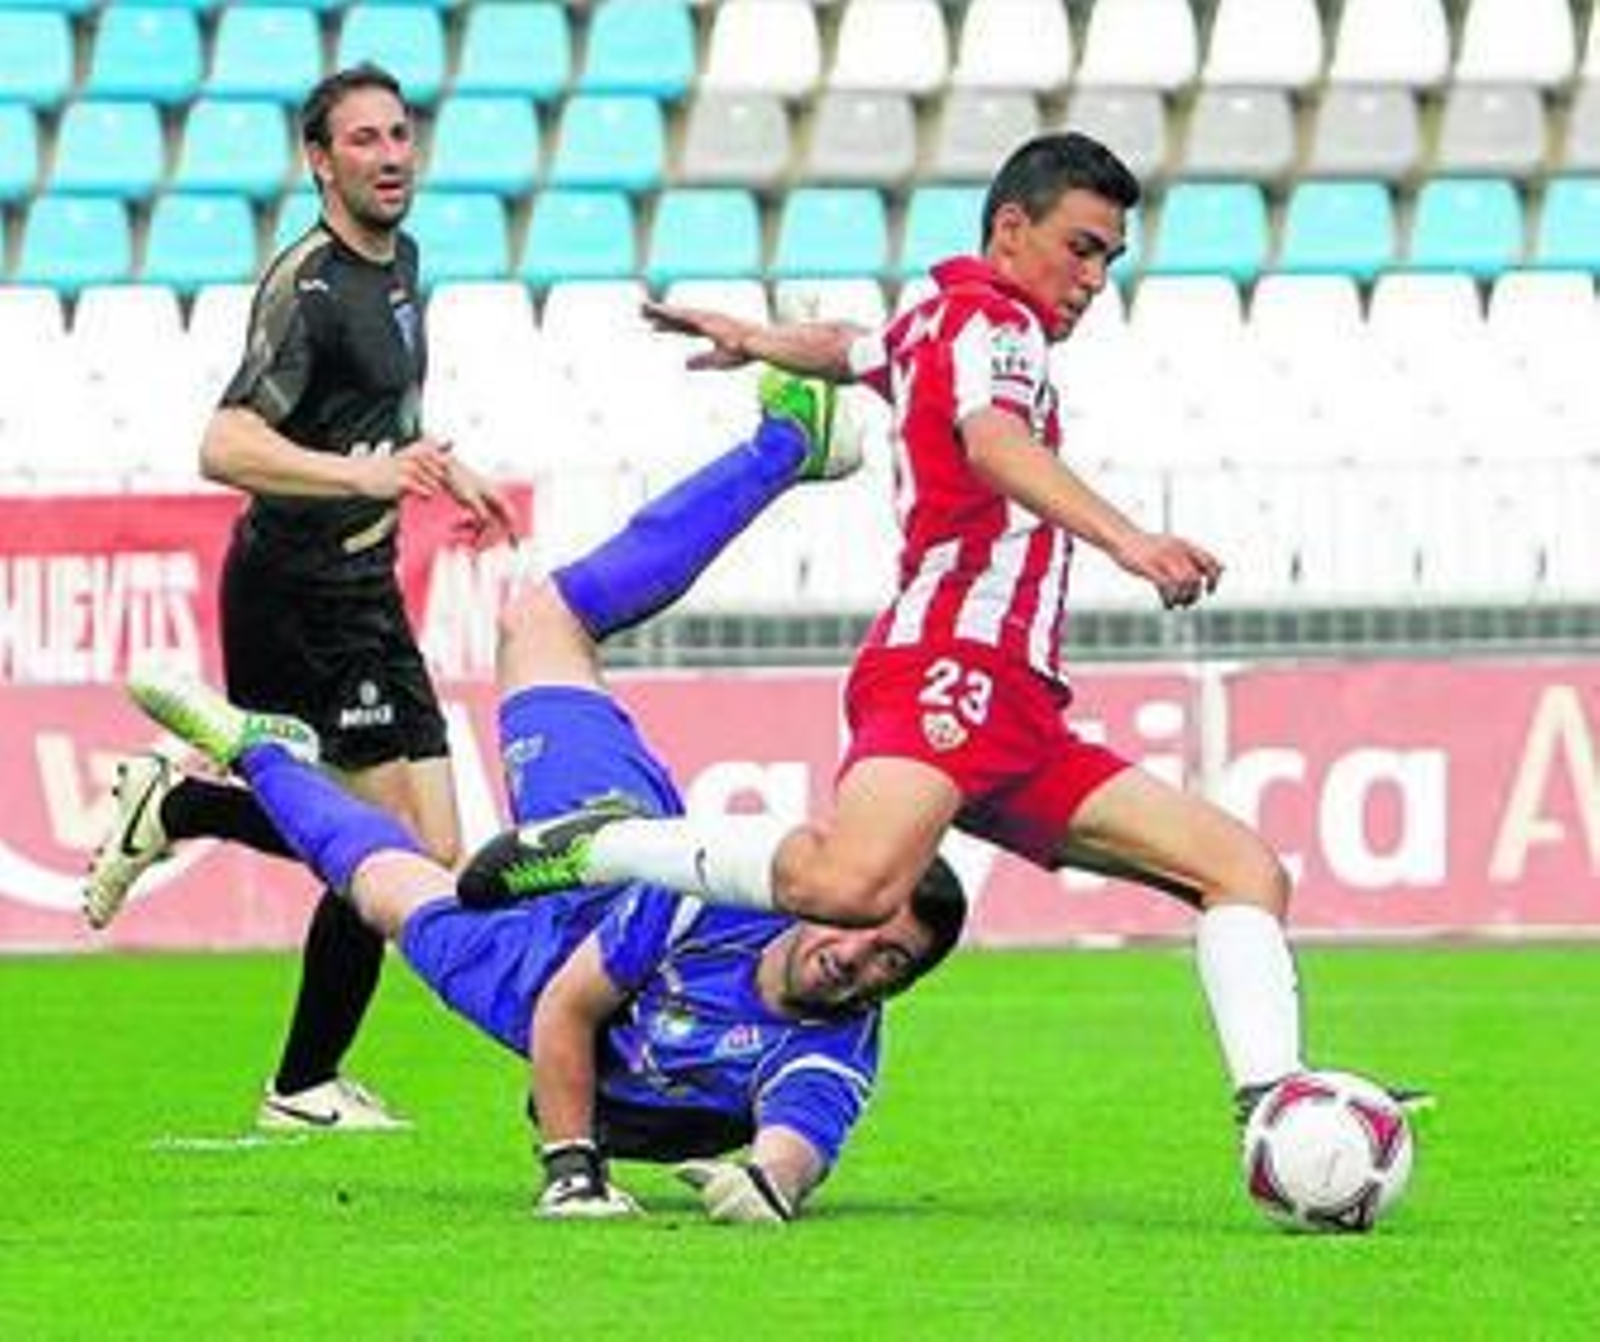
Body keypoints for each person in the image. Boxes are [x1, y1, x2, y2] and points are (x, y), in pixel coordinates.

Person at [469, 132, 1424, 1121]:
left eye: (1109, 259)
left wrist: (757, 338)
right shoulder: (998, 326)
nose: (1094, 280)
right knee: (847, 887)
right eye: (1081, 248)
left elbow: (853, 350)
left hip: (1021, 712)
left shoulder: (941, 318)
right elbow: (993, 440)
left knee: (1241, 870)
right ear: (1010, 229)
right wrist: (1129, 540)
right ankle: (607, 844)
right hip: (949, 668)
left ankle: (1275, 1098)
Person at [121, 382, 966, 1221]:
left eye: (891, 963)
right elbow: (580, 1002)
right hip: (615, 864)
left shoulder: (833, 1049)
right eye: (863, 927)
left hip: (526, 982)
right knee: (541, 621)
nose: (856, 957)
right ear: (828, 900)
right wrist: (572, 1171)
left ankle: (257, 750)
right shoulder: (721, 899)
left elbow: (793, 1139)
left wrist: (770, 1184)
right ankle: (787, 444)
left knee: (384, 882)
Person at [82, 63, 516, 1130]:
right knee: (383, 849)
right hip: (298, 593)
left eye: (400, 135)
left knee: (433, 853)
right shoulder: (306, 288)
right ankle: (301, 1081)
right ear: (319, 162)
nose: (391, 156)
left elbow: (371, 416)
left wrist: (435, 465)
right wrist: (362, 480)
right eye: (364, 140)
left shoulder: (403, 261)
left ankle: (183, 812)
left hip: (368, 586)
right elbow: (224, 443)